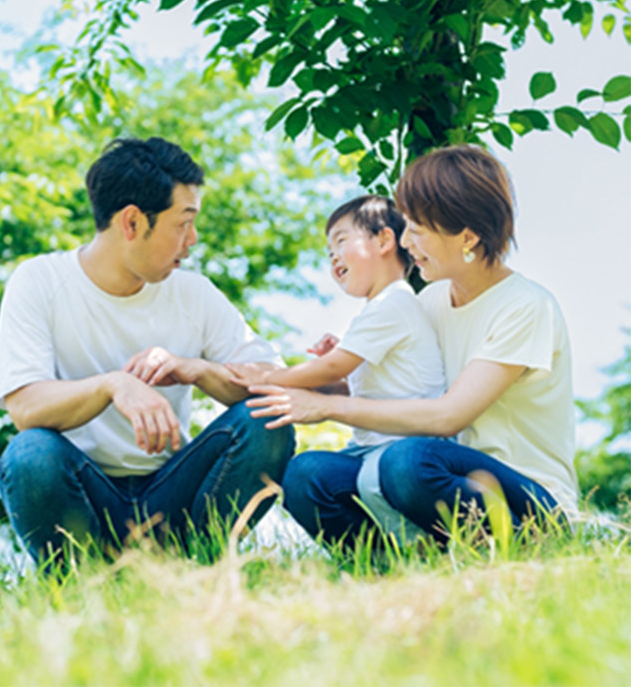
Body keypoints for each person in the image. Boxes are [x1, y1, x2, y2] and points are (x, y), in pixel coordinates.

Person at [247, 145, 576, 547]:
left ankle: (522, 544)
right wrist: (343, 381)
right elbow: (407, 392)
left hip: (527, 498)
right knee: (307, 474)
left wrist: (328, 406)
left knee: (406, 462)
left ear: (468, 237)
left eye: (417, 230)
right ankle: (396, 566)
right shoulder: (430, 301)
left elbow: (447, 417)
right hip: (436, 478)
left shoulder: (526, 307)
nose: (405, 241)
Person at [0, 136, 295, 567]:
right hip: (84, 493)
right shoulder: (38, 281)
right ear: (131, 222)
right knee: (30, 454)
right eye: (183, 223)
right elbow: (25, 407)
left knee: (268, 422)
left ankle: (202, 569)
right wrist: (113, 386)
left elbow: (275, 383)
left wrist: (197, 370)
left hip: (175, 496)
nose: (192, 240)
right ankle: (80, 583)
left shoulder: (194, 293)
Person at [226, 196, 446, 546]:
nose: (332, 257)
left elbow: (331, 367)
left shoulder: (395, 301)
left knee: (317, 473)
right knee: (303, 474)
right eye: (328, 251)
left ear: (386, 240)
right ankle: (374, 558)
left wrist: (266, 378)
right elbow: (348, 380)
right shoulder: (379, 309)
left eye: (341, 241)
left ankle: (417, 544)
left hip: (404, 451)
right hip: (370, 450)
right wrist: (338, 376)